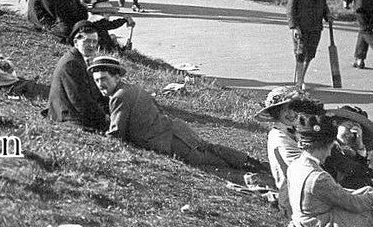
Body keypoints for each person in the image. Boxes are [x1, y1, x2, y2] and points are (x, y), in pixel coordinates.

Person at [90, 56, 267, 172]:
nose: (100, 84)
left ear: (116, 77)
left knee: (210, 162)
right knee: (212, 149)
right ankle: (253, 162)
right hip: (177, 131)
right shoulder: (132, 88)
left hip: (169, 142)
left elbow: (116, 134)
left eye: (104, 79)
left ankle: (256, 168)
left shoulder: (119, 97)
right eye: (97, 80)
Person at [254, 87, 325, 219]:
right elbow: (301, 166)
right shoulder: (279, 136)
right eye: (284, 109)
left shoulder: (296, 130)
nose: (291, 113)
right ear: (276, 113)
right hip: (294, 197)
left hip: (307, 189)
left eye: (294, 108)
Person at [46, 21, 108, 130]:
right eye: (87, 41)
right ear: (76, 42)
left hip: (73, 112)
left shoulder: (79, 58)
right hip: (68, 116)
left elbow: (93, 93)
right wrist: (104, 117)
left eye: (95, 42)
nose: (92, 45)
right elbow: (80, 101)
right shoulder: (71, 63)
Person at [286, 0, 329, 90]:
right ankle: (299, 82)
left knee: (310, 54)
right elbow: (290, 7)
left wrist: (327, 15)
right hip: (301, 26)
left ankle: (302, 78)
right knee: (300, 53)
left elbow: (323, 2)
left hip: (316, 25)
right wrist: (294, 26)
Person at [322, 106, 373, 191]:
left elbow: (360, 171)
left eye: (356, 131)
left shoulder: (349, 152)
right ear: (336, 125)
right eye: (348, 126)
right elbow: (350, 168)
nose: (351, 133)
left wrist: (359, 145)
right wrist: (369, 172)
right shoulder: (329, 146)